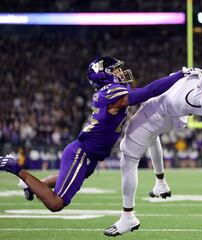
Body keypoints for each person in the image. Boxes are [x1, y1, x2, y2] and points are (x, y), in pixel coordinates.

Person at [104, 9, 202, 237]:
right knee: (152, 137)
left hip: (159, 112)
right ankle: (161, 184)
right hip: (172, 114)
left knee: (128, 155)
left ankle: (128, 217)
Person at [0, 56, 189, 212]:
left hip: (89, 155)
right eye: (114, 70)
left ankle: (31, 185)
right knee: (56, 203)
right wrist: (179, 75)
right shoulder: (111, 93)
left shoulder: (108, 91)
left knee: (67, 178)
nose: (120, 72)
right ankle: (15, 168)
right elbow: (147, 92)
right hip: (82, 153)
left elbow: (146, 92)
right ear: (103, 76)